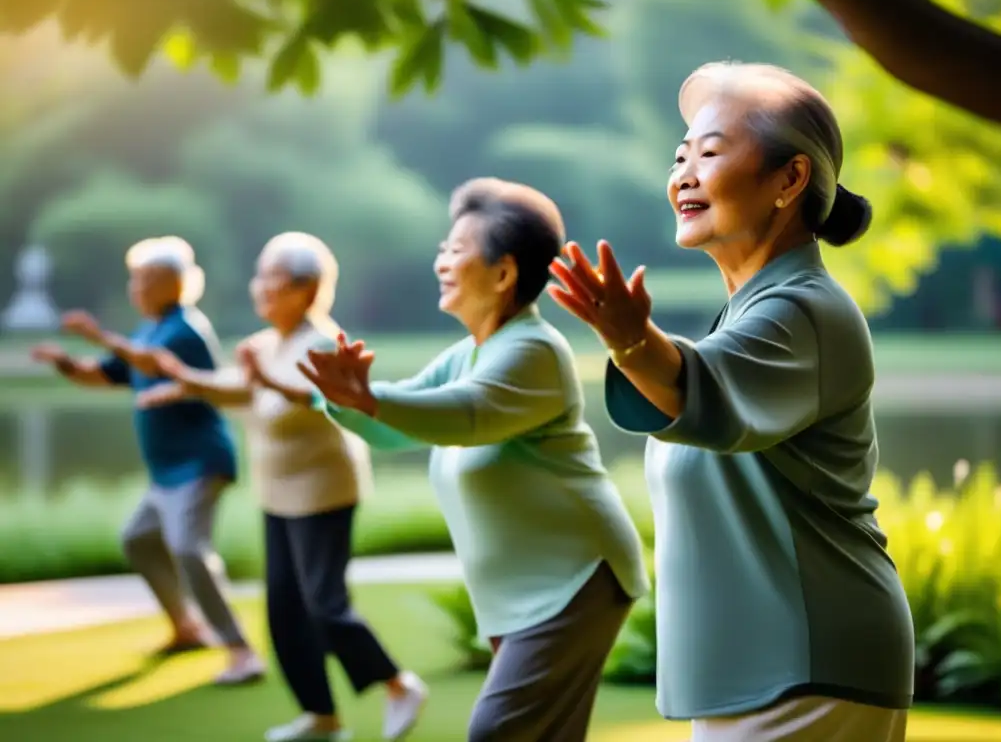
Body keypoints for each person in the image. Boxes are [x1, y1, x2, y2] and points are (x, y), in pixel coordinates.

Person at [548, 60, 915, 742]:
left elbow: (697, 388)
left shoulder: (804, 312)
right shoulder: (752, 314)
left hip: (810, 671)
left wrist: (631, 340)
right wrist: (633, 345)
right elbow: (698, 390)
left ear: (789, 179)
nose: (684, 173)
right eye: (680, 155)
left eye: (710, 152)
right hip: (766, 677)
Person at [297, 178, 650, 742]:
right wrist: (339, 399)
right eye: (443, 248)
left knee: (497, 731)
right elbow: (394, 430)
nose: (441, 261)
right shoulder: (470, 353)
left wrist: (368, 398)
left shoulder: (533, 352)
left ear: (504, 272)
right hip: (525, 590)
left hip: (577, 577)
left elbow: (463, 416)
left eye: (456, 250)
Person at [138, 232, 427, 742]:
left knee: (324, 604)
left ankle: (399, 684)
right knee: (285, 612)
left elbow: (312, 398)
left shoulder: (319, 343)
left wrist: (262, 383)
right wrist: (182, 381)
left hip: (324, 492)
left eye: (272, 277)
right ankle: (322, 717)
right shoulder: (268, 343)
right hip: (277, 493)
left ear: (306, 289)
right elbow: (238, 391)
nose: (260, 287)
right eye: (260, 275)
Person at [30, 236, 264, 686]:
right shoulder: (147, 328)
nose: (134, 288)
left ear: (172, 284)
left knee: (188, 549)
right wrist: (65, 363)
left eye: (144, 279)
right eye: (134, 279)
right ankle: (185, 627)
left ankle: (240, 650)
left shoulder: (185, 329)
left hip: (199, 461)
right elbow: (105, 375)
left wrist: (98, 334)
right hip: (166, 471)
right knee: (138, 539)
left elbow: (154, 364)